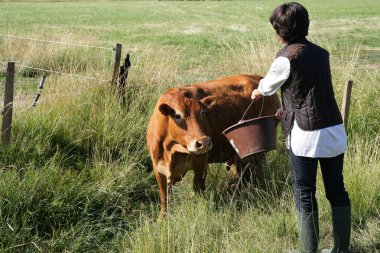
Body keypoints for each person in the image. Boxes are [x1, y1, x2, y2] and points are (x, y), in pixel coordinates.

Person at [251, 2, 351, 253]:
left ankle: (309, 251)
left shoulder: (286, 58)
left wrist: (256, 91)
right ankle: (341, 250)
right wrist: (288, 107)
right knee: (336, 189)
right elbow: (306, 90)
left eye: (276, 29)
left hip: (306, 135)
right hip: (334, 130)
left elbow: (267, 87)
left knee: (304, 192)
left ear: (281, 31)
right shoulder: (321, 53)